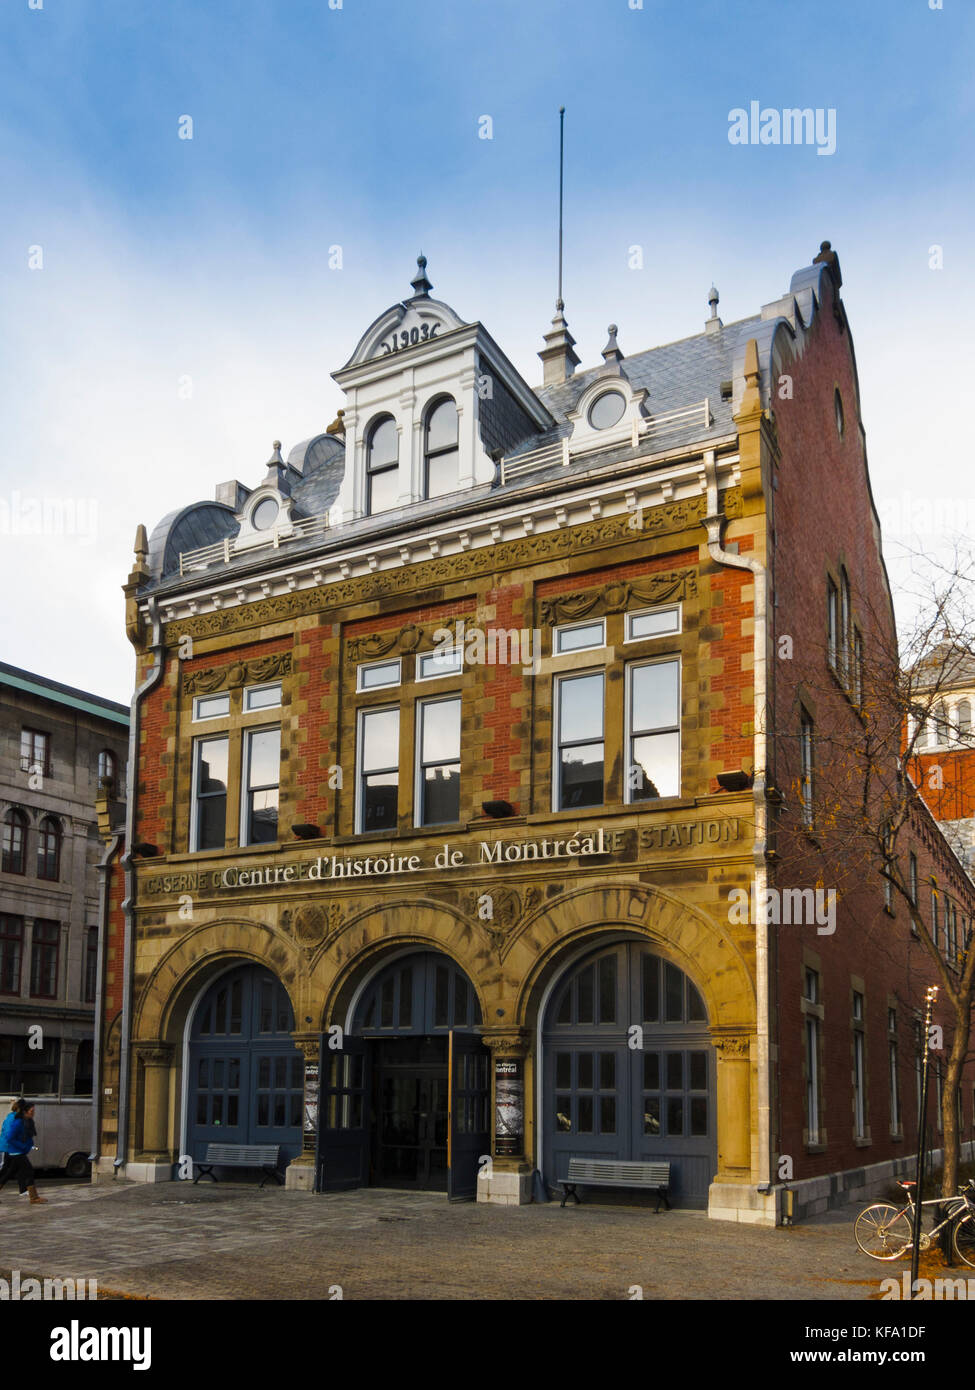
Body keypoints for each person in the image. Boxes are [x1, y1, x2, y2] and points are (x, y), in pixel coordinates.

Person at [0, 1098, 48, 1204]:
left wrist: (29, 1145)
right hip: (16, 1152)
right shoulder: (17, 1122)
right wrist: (22, 1147)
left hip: (18, 1151)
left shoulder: (27, 1122)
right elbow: (9, 1137)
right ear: (25, 1111)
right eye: (31, 1111)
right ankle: (34, 1197)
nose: (33, 1113)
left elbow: (28, 1136)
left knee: (9, 1173)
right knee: (29, 1171)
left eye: (34, 1111)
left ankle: (32, 1196)